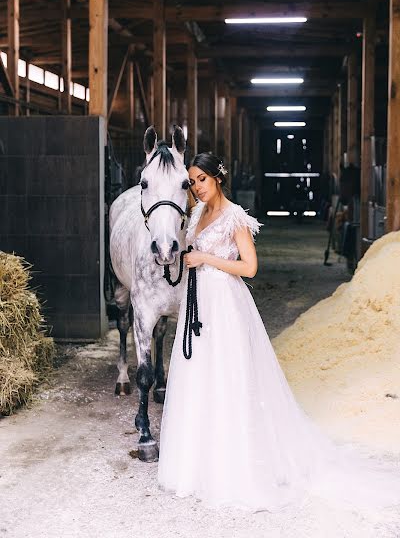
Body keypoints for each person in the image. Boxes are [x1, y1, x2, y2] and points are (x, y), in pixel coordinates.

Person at [158, 153, 400, 529]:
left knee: (229, 378)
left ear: (217, 179)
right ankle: (198, 464)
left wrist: (206, 257)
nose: (197, 187)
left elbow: (250, 267)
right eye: (192, 182)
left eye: (202, 179)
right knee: (199, 378)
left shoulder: (234, 216)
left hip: (224, 303)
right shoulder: (196, 214)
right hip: (199, 304)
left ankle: (235, 466)